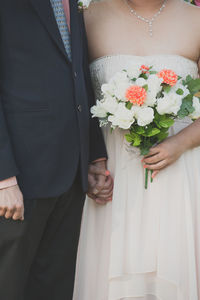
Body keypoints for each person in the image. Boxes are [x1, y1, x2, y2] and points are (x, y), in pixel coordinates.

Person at [73, 0, 200, 299]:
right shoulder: (86, 18)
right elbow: (72, 96)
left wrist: (182, 142)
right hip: (112, 174)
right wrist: (91, 161)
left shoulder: (195, 18)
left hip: (182, 170)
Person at [0, 0, 112, 299]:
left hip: (69, 177)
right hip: (17, 181)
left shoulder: (72, 3)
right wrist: (3, 178)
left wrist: (93, 158)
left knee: (53, 288)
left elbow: (78, 78)